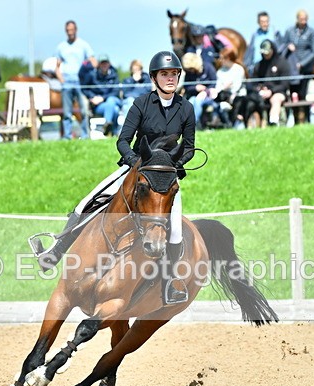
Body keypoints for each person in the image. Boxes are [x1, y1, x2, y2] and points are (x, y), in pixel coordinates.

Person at [36, 51, 195, 305]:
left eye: (174, 74)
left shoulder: (186, 108)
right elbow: (123, 141)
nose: (170, 78)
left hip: (164, 179)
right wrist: (136, 164)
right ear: (154, 78)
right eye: (164, 74)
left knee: (175, 231)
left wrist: (172, 166)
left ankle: (170, 283)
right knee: (86, 202)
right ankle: (54, 253)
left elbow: (189, 147)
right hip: (136, 170)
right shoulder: (141, 104)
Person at [56, 20, 96, 140]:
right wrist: (61, 80)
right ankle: (67, 136)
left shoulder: (83, 45)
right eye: (68, 30)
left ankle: (85, 136)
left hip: (81, 82)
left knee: (83, 110)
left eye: (72, 30)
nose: (70, 32)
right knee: (67, 112)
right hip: (67, 82)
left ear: (76, 30)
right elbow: (57, 66)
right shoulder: (61, 47)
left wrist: (89, 73)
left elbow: (93, 61)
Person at [280, 9, 314, 102]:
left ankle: (305, 111)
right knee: (292, 94)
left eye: (305, 19)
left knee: (302, 94)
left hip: (305, 69)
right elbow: (282, 45)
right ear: (297, 19)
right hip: (291, 67)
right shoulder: (289, 31)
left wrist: (302, 64)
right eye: (301, 19)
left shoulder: (312, 32)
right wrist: (288, 45)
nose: (303, 21)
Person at [249, 39, 290, 126]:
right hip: (262, 93)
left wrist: (271, 91)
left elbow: (285, 84)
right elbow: (254, 82)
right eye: (264, 53)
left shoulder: (282, 63)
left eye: (267, 53)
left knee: (276, 99)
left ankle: (273, 121)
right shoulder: (259, 65)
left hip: (279, 92)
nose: (266, 55)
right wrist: (259, 89)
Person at [83, 54, 123, 136]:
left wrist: (102, 98)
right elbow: (85, 88)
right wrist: (92, 97)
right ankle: (114, 133)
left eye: (106, 63)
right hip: (100, 105)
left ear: (109, 64)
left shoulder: (114, 75)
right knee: (115, 109)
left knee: (111, 100)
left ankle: (107, 123)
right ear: (99, 64)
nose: (104, 65)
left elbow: (116, 91)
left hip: (114, 100)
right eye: (102, 63)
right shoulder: (92, 75)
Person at [181, 52, 217, 128]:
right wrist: (195, 88)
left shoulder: (208, 67)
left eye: (191, 69)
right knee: (191, 102)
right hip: (194, 96)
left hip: (209, 96)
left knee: (197, 101)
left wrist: (205, 91)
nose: (191, 71)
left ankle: (193, 124)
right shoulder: (189, 73)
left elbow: (214, 83)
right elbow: (187, 86)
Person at [212, 47, 246, 127]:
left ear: (228, 58)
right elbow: (218, 88)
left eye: (222, 58)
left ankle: (235, 124)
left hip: (238, 97)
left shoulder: (239, 69)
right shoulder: (220, 71)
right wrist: (225, 87)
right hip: (224, 97)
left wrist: (226, 87)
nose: (220, 60)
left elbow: (237, 87)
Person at [120, 59, 151, 123]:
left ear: (141, 69)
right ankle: (128, 126)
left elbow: (147, 92)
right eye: (135, 69)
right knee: (130, 101)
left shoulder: (146, 79)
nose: (137, 71)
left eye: (138, 69)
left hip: (143, 102)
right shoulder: (127, 80)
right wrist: (133, 80)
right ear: (131, 70)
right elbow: (125, 94)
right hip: (129, 102)